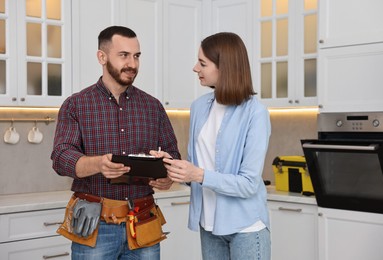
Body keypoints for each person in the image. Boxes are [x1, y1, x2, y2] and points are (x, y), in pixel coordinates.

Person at [51, 25, 180, 260]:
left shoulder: (153, 106)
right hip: (95, 225)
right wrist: (99, 164)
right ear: (102, 56)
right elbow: (61, 158)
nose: (132, 63)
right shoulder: (76, 105)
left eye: (136, 56)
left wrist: (168, 175)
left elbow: (173, 154)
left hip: (143, 222)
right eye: (124, 55)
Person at [163, 32, 271, 260]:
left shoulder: (255, 113)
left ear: (225, 67)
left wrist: (199, 174)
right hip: (209, 225)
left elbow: (249, 184)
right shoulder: (199, 107)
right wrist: (170, 165)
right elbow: (195, 170)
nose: (195, 68)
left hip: (246, 228)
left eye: (202, 63)